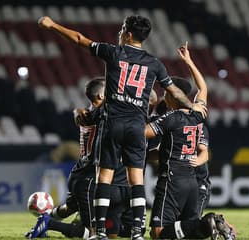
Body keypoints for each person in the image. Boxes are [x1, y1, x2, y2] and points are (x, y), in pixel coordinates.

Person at [38, 15, 206, 240]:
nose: (119, 33)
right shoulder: (155, 63)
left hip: (113, 123)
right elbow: (174, 90)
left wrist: (53, 26)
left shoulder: (113, 53)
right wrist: (192, 108)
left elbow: (79, 39)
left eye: (122, 29)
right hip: (137, 126)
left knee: (104, 176)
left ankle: (99, 233)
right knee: (136, 179)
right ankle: (137, 233)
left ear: (128, 34)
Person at [25, 78, 137, 239]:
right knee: (92, 233)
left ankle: (46, 216)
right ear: (100, 95)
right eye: (109, 90)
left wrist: (76, 111)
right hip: (91, 178)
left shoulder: (86, 114)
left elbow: (80, 113)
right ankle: (48, 223)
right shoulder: (105, 115)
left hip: (81, 173)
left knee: (68, 208)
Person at [145, 42, 236, 239]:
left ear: (172, 95)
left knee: (159, 233)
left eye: (165, 92)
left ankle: (209, 221)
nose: (163, 96)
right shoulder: (198, 114)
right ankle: (212, 224)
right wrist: (189, 61)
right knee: (189, 230)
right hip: (190, 180)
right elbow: (203, 88)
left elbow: (143, 133)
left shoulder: (170, 118)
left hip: (175, 178)